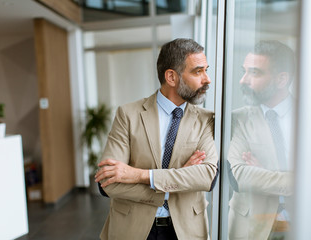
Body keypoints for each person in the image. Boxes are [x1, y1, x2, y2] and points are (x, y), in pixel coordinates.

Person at [94, 38, 219, 240]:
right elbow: (108, 183)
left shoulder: (206, 120)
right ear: (171, 77)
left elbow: (206, 177)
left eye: (206, 70)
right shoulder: (128, 114)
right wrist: (177, 181)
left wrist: (139, 175)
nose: (207, 79)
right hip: (133, 229)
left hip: (186, 231)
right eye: (198, 71)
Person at [227, 40, 295, 240]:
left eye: (254, 73)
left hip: (304, 222)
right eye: (244, 71)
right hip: (252, 227)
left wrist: (264, 173)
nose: (243, 80)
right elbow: (238, 175)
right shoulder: (236, 119)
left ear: (281, 80)